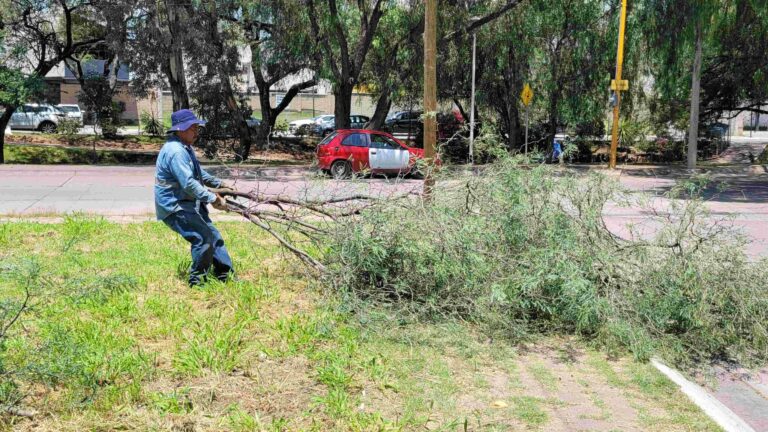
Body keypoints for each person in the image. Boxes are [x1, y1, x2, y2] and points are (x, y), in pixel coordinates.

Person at [154, 109, 235, 286]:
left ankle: (225, 275)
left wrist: (220, 184)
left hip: (188, 202)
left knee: (213, 236)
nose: (196, 132)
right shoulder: (176, 151)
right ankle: (197, 282)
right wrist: (214, 199)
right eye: (193, 128)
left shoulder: (184, 147)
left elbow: (198, 173)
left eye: (197, 128)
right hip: (175, 206)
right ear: (181, 129)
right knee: (203, 237)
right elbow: (189, 184)